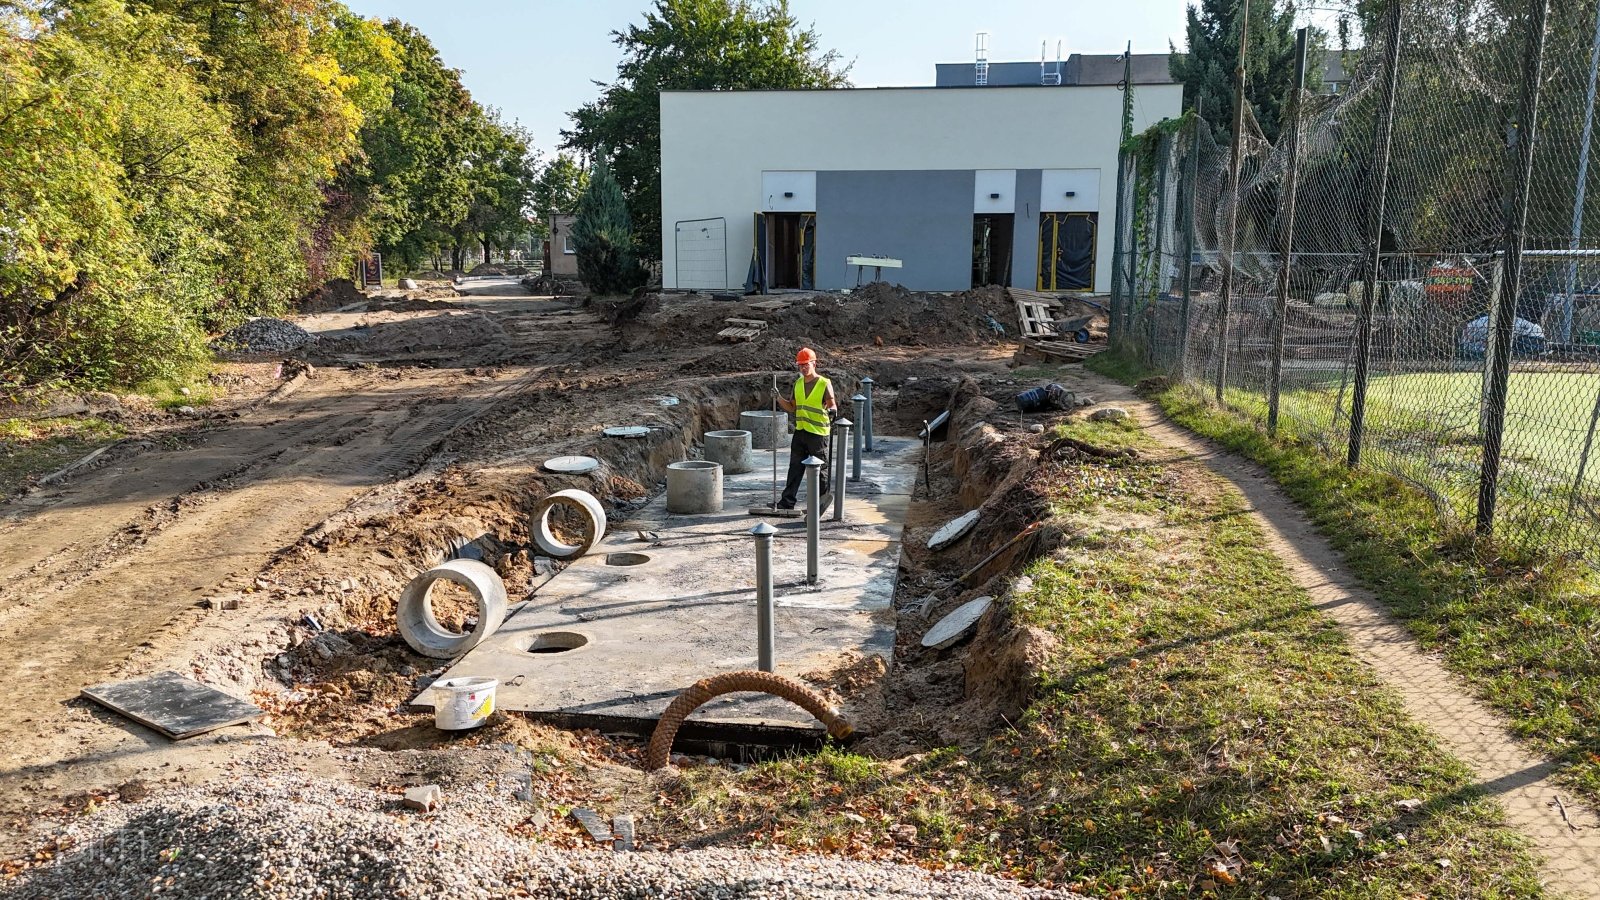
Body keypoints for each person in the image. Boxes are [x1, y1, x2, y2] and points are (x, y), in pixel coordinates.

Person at [773, 347, 836, 509]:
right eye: (800, 365)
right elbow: (792, 407)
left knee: (821, 469)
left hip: (818, 434)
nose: (803, 368)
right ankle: (787, 502)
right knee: (795, 467)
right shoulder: (798, 383)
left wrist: (833, 411)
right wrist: (778, 398)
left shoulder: (824, 383)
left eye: (806, 364)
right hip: (801, 432)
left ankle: (820, 503)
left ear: (814, 363)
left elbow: (832, 404)